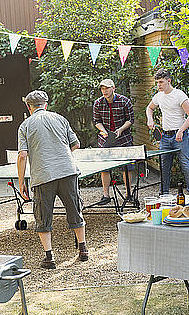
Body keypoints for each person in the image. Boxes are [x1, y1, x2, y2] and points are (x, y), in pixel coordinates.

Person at [17, 90, 88, 269]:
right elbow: (76, 144)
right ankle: (83, 249)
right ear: (46, 104)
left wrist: (21, 182)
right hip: (68, 172)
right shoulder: (60, 119)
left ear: (28, 106)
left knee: (43, 216)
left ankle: (49, 258)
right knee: (75, 209)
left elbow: (22, 156)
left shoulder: (25, 125)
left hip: (43, 176)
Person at [146, 68, 189, 196]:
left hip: (181, 136)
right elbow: (149, 108)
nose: (158, 85)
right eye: (157, 82)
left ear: (168, 81)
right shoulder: (158, 96)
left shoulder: (179, 95)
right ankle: (164, 195)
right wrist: (150, 119)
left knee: (186, 165)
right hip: (165, 136)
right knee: (164, 167)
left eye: (161, 82)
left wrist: (181, 130)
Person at [92, 78, 135, 205]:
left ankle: (128, 194)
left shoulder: (124, 101)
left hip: (123, 138)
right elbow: (96, 121)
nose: (104, 91)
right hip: (105, 138)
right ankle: (106, 195)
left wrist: (120, 129)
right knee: (104, 168)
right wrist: (104, 131)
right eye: (102, 89)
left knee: (126, 167)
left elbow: (130, 119)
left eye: (107, 88)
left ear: (113, 88)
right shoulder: (98, 103)